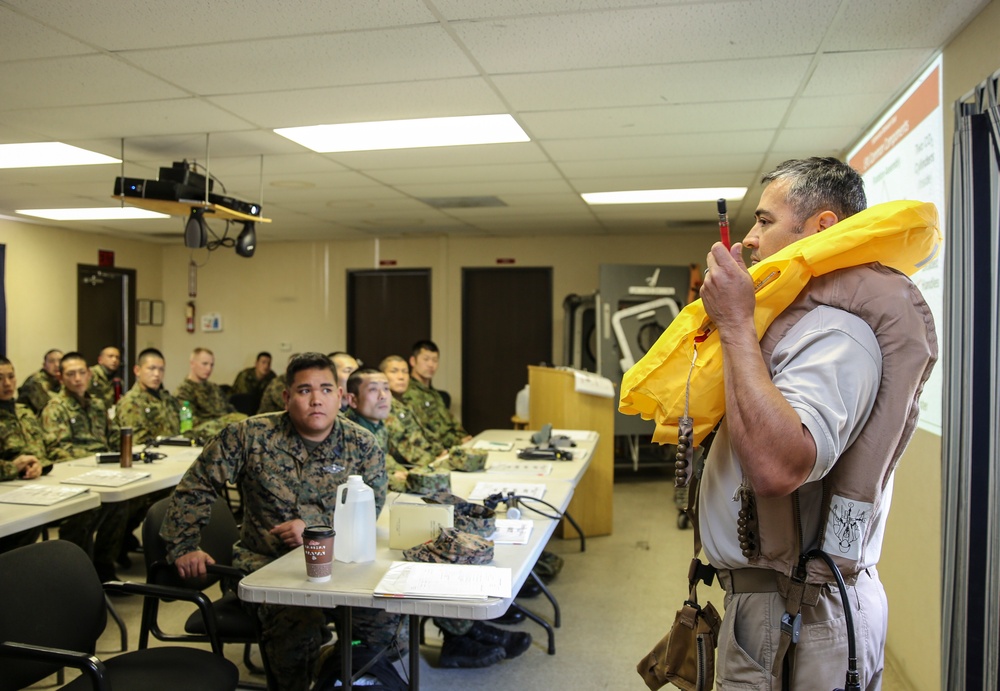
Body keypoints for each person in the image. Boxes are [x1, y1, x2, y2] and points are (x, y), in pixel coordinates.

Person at [697, 157, 937, 689]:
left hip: (795, 613)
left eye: (764, 220)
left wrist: (735, 323)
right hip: (777, 605)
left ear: (823, 227)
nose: (752, 239)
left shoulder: (837, 334)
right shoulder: (805, 321)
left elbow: (778, 468)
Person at [160, 353, 393, 691]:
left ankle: (338, 671)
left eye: (326, 389)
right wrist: (183, 546)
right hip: (265, 566)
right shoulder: (250, 435)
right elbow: (196, 484)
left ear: (341, 397)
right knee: (300, 625)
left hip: (341, 563)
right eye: (304, 390)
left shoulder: (361, 443)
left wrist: (313, 531)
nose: (316, 400)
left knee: (384, 620)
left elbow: (371, 509)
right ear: (286, 397)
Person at [344, 367, 531, 668]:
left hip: (382, 516)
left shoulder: (376, 427)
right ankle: (461, 633)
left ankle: (464, 628)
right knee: (434, 547)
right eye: (373, 389)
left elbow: (391, 468)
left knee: (441, 537)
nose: (383, 396)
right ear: (351, 399)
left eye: (386, 389)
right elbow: (382, 475)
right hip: (358, 532)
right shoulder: (353, 433)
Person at [41, 352, 125, 581]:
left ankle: (104, 564)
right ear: (60, 377)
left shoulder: (98, 405)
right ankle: (76, 574)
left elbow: (114, 437)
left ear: (89, 374)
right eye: (70, 374)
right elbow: (56, 450)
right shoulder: (55, 408)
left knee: (122, 503)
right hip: (73, 478)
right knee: (88, 511)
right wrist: (97, 458)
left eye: (81, 372)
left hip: (106, 473)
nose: (77, 378)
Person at [0, 357, 49, 552]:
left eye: (11, 376)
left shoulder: (24, 411)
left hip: (29, 487)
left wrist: (37, 465)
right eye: (0, 378)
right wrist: (13, 467)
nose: (7, 383)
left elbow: (40, 450)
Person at [400, 341, 471, 447]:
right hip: (435, 450)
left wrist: (464, 438)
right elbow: (426, 431)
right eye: (426, 359)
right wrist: (458, 442)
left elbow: (451, 422)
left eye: (435, 360)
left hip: (454, 446)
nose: (431, 365)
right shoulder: (408, 392)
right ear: (413, 361)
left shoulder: (434, 394)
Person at [176, 347, 246, 442]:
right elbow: (191, 423)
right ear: (192, 364)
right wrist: (225, 422)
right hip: (205, 437)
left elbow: (230, 411)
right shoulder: (184, 391)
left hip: (228, 434)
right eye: (204, 364)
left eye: (211, 365)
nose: (208, 368)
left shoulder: (214, 388)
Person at [116, 348, 181, 444]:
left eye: (161, 369)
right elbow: (138, 441)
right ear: (137, 370)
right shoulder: (131, 401)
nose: (157, 374)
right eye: (151, 368)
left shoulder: (167, 398)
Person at [17, 348, 62, 415]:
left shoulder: (61, 378)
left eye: (60, 361)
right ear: (44, 365)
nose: (57, 365)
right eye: (51, 361)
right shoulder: (36, 381)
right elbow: (49, 406)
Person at [89, 346, 122, 410]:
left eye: (117, 357)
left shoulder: (117, 380)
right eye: (110, 356)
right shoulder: (91, 374)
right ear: (100, 360)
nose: (114, 360)